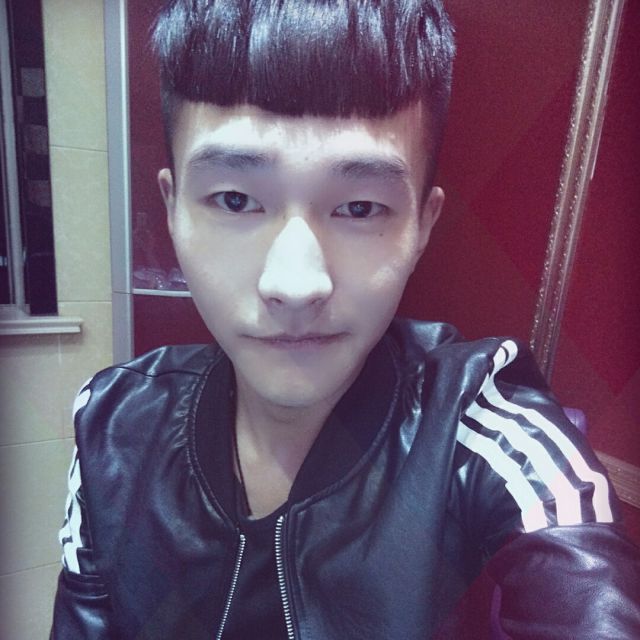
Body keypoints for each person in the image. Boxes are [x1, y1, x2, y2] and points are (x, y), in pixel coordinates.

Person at [50, 1, 640, 638]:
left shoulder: (481, 427)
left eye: (359, 208)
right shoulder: (112, 424)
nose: (294, 285)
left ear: (422, 226)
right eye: (236, 199)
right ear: (173, 210)